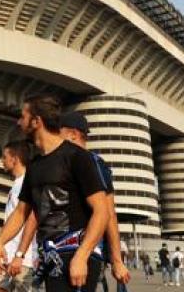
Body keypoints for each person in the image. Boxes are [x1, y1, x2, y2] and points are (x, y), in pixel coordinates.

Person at [0, 94, 130, 292]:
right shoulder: (35, 166)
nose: (19, 122)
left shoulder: (78, 158)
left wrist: (83, 256)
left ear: (37, 121)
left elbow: (103, 211)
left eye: (23, 116)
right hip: (51, 256)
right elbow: (23, 212)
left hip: (77, 254)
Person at [57, 111, 127, 289]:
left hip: (84, 252)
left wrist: (117, 260)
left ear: (73, 134)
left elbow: (108, 212)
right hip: (61, 250)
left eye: (59, 131)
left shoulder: (93, 162)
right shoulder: (63, 162)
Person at [0, 140, 39, 292]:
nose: (2, 160)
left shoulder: (25, 185)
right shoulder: (17, 184)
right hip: (9, 258)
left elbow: (30, 221)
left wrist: (20, 256)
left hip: (22, 260)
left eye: (4, 157)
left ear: (14, 159)